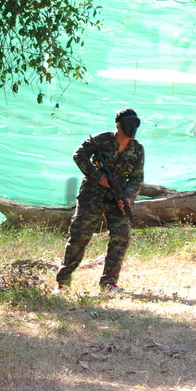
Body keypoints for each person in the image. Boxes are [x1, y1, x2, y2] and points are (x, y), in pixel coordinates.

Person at [56, 108, 144, 292]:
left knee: (122, 237)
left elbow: (136, 178)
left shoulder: (137, 149)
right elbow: (79, 155)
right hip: (92, 195)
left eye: (135, 124)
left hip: (117, 197)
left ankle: (109, 282)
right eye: (128, 124)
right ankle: (63, 282)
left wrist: (128, 196)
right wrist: (98, 177)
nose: (132, 128)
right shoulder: (100, 139)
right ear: (118, 125)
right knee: (79, 237)